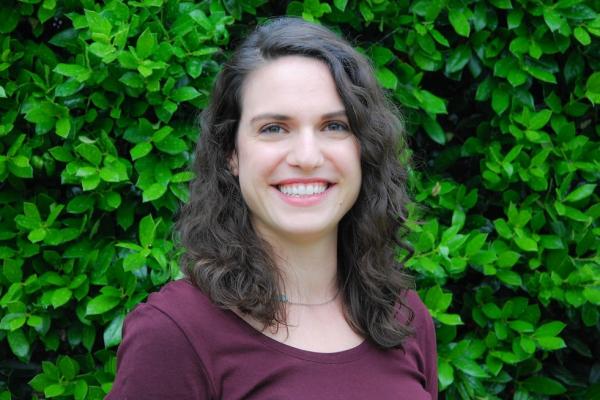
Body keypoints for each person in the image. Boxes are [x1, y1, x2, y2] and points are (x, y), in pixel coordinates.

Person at [107, 17, 437, 399]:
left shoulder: (404, 317)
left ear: (364, 148)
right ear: (231, 152)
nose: (308, 157)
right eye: (274, 129)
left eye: (334, 126)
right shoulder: (174, 333)